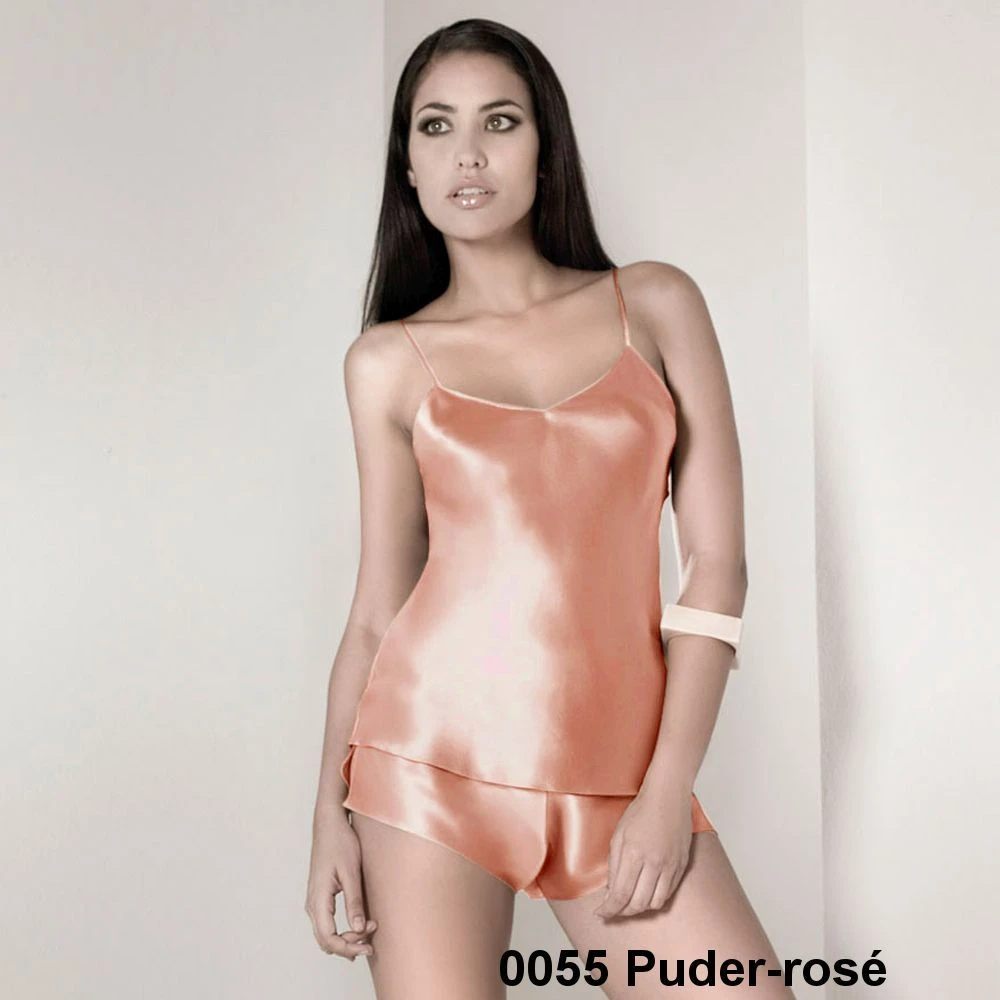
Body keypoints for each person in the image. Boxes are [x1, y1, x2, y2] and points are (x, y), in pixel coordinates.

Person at [305, 17, 795, 1000]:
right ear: (407, 165)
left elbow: (717, 567)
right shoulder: (385, 362)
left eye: (500, 121)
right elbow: (376, 611)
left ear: (544, 147)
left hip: (621, 778)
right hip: (423, 768)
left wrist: (667, 789)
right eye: (436, 127)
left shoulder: (654, 305)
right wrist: (328, 815)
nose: (468, 153)